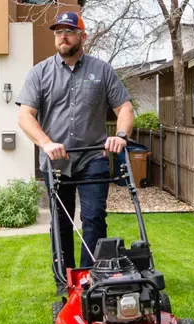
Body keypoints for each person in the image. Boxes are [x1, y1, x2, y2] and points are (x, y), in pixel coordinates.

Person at [16, 11, 134, 295]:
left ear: (83, 36)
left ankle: (91, 279)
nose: (63, 36)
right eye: (58, 32)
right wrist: (45, 143)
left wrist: (120, 136)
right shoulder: (40, 72)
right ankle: (64, 281)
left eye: (69, 31)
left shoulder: (101, 70)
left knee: (93, 218)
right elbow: (25, 116)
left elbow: (125, 109)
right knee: (61, 221)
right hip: (56, 161)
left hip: (93, 157)